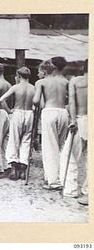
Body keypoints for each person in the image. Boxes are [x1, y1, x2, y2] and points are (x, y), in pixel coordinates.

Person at [33, 60, 69, 190]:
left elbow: (36, 101)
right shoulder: (65, 81)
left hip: (49, 112)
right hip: (63, 112)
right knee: (61, 146)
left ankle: (52, 180)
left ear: (43, 72)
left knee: (49, 146)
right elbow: (69, 99)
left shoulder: (41, 82)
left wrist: (40, 99)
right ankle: (62, 177)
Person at [0, 67, 35, 180]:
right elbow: (39, 103)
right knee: (26, 140)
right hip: (29, 113)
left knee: (14, 139)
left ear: (18, 76)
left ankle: (14, 168)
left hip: (17, 112)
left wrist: (9, 111)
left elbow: (1, 99)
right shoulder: (33, 88)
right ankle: (23, 169)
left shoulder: (16, 87)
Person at [60, 59, 88, 204]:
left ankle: (71, 189)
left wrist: (72, 120)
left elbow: (71, 101)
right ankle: (88, 191)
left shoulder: (76, 81)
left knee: (70, 155)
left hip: (80, 119)